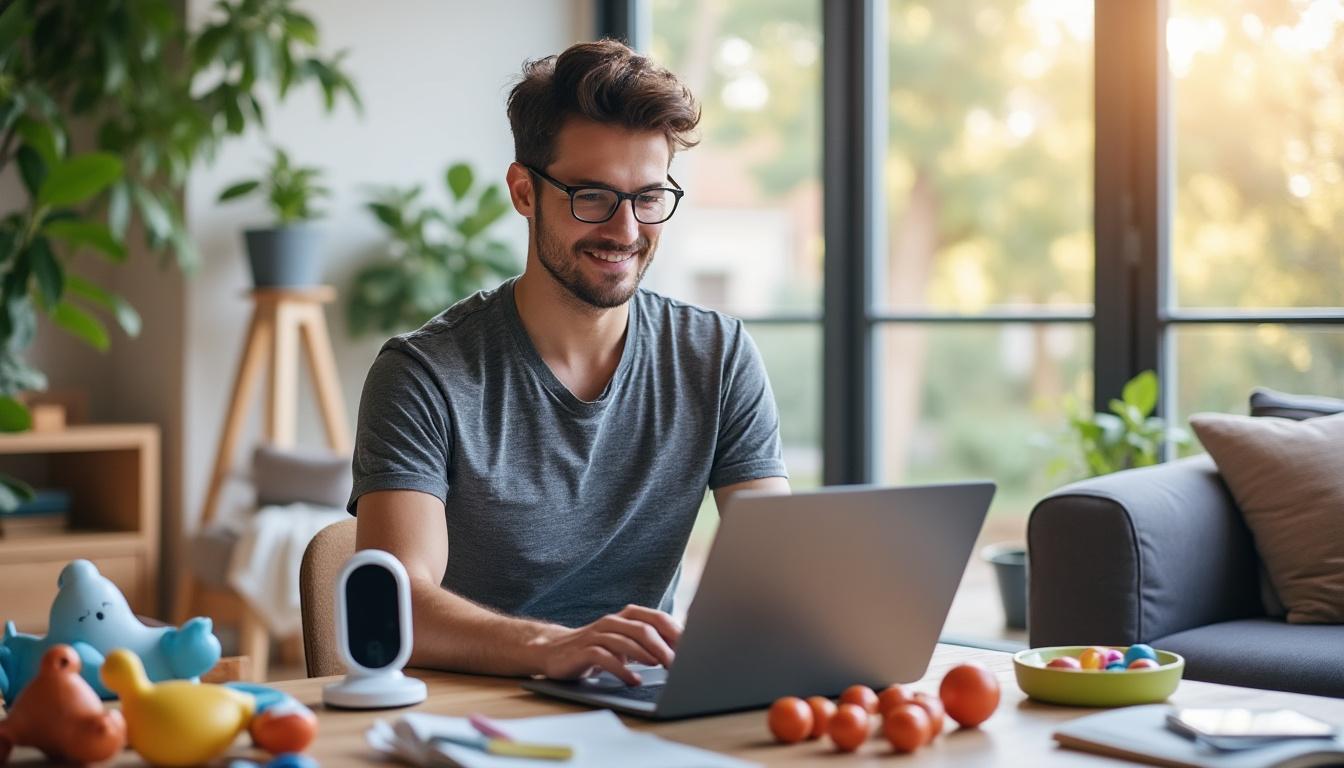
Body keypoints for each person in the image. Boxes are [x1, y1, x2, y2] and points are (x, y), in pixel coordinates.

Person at [348, 39, 790, 686]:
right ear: (524, 192)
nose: (626, 231)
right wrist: (551, 646)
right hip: (478, 710)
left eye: (648, 197)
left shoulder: (716, 356)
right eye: (592, 196)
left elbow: (777, 568)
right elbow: (397, 605)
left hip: (639, 702)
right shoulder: (424, 376)